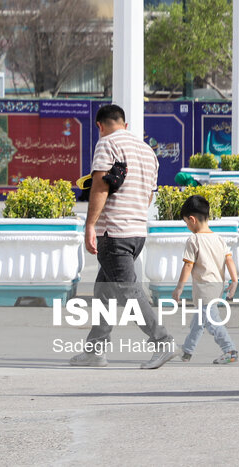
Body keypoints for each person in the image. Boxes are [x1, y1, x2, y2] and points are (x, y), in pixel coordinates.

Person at [68, 104, 176, 369]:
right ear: (125, 125)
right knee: (103, 290)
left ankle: (162, 341)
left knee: (128, 291)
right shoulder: (148, 151)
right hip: (137, 232)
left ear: (99, 125)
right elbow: (150, 194)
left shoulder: (106, 144)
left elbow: (101, 185)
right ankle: (95, 350)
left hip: (114, 232)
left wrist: (90, 225)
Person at [173, 195, 239, 365]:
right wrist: (234, 281)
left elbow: (187, 266)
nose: (187, 226)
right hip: (217, 287)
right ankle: (187, 350)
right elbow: (229, 260)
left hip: (204, 288)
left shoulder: (193, 240)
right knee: (199, 322)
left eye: (186, 222)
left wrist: (179, 288)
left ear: (192, 219)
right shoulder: (218, 239)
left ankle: (229, 349)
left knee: (212, 322)